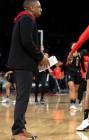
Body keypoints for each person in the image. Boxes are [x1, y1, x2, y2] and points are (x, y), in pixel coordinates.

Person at [7, 0, 49, 139]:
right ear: (31, 8)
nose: (41, 9)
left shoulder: (24, 18)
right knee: (22, 98)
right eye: (39, 6)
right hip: (23, 65)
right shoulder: (27, 18)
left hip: (22, 65)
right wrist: (40, 57)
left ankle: (20, 127)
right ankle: (18, 130)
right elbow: (26, 41)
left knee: (22, 97)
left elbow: (26, 42)